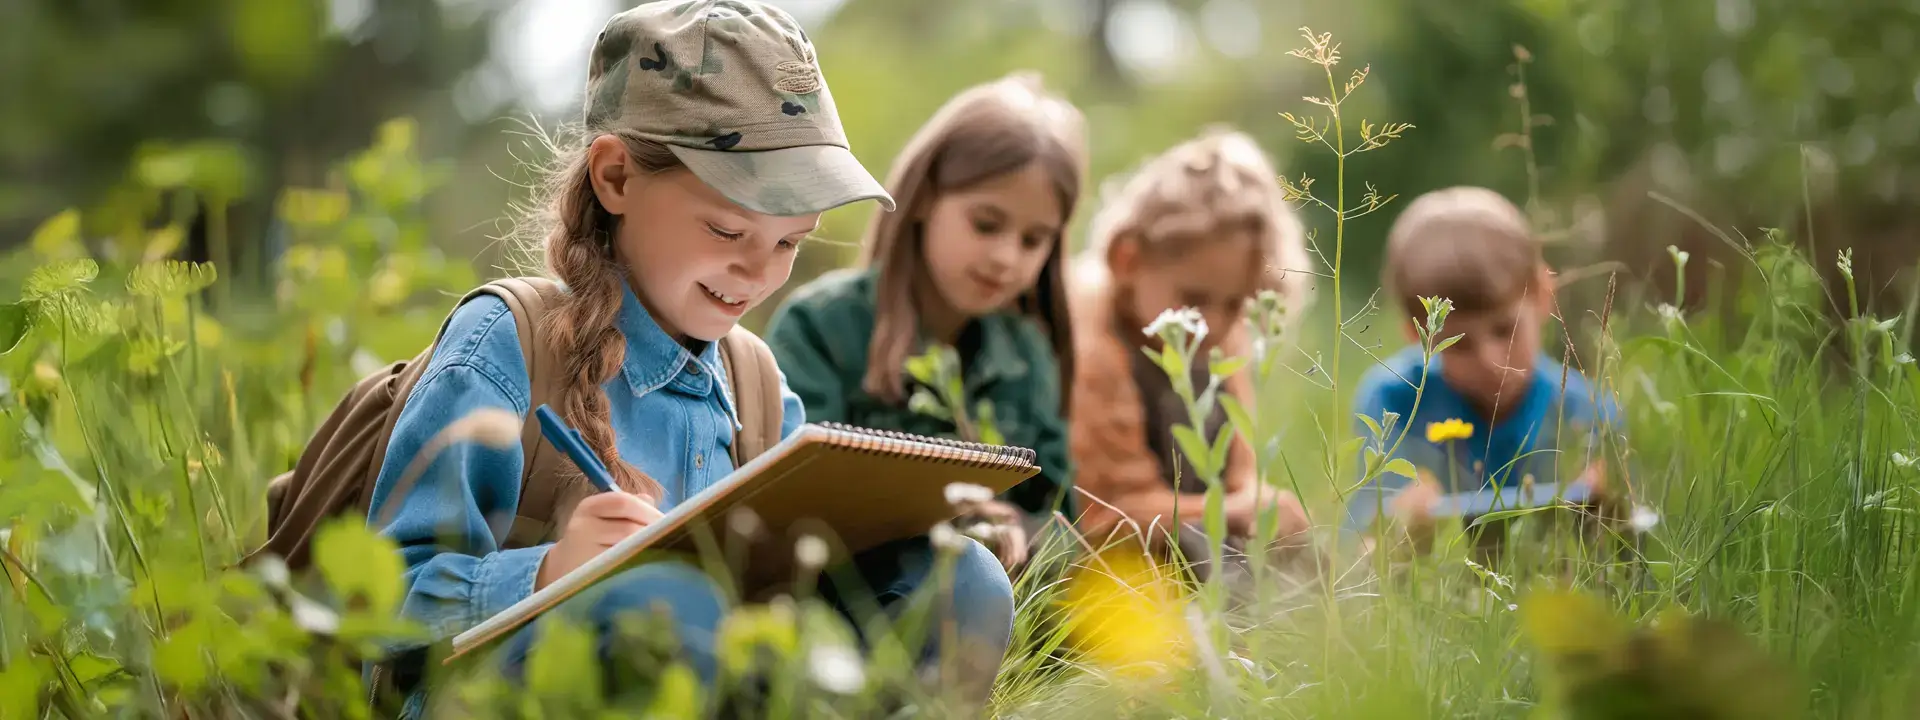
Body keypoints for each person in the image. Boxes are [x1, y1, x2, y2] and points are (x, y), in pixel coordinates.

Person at [362, 2, 1014, 715]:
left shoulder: (753, 382)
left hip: (725, 687)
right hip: (501, 695)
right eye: (727, 227)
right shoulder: (504, 346)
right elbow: (381, 605)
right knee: (664, 607)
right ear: (615, 178)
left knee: (962, 578)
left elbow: (800, 569)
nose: (759, 272)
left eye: (790, 243)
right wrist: (552, 568)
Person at [763, 72, 1086, 574]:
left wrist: (1017, 532)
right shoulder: (820, 329)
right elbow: (789, 505)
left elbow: (1064, 519)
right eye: (986, 224)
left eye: (1033, 240)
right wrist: (942, 520)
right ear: (926, 199)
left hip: (1006, 612)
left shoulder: (1029, 356)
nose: (1006, 257)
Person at [1066, 127, 1315, 586]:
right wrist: (1232, 511)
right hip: (1117, 566)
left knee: (1308, 564)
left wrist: (1260, 508)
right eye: (1195, 299)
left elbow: (1240, 474)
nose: (1216, 324)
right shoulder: (1093, 344)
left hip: (1199, 540)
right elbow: (1106, 511)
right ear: (1128, 260)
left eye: (1236, 303)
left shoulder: (1221, 344)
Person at [1344, 186, 1623, 556]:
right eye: (1458, 344)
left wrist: (1606, 504)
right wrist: (1398, 526)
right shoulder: (1393, 401)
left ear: (1542, 295)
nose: (1492, 361)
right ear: (1416, 334)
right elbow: (1363, 546)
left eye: (1505, 330)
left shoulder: (1587, 410)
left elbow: (1627, 539)